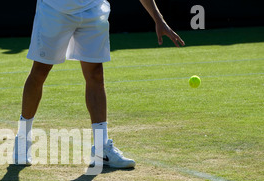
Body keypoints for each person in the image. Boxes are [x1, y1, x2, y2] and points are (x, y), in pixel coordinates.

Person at [13, 0, 185, 168]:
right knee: (40, 71)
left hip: (93, 8)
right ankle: (22, 140)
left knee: (96, 75)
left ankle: (102, 150)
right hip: (54, 8)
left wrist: (159, 19)